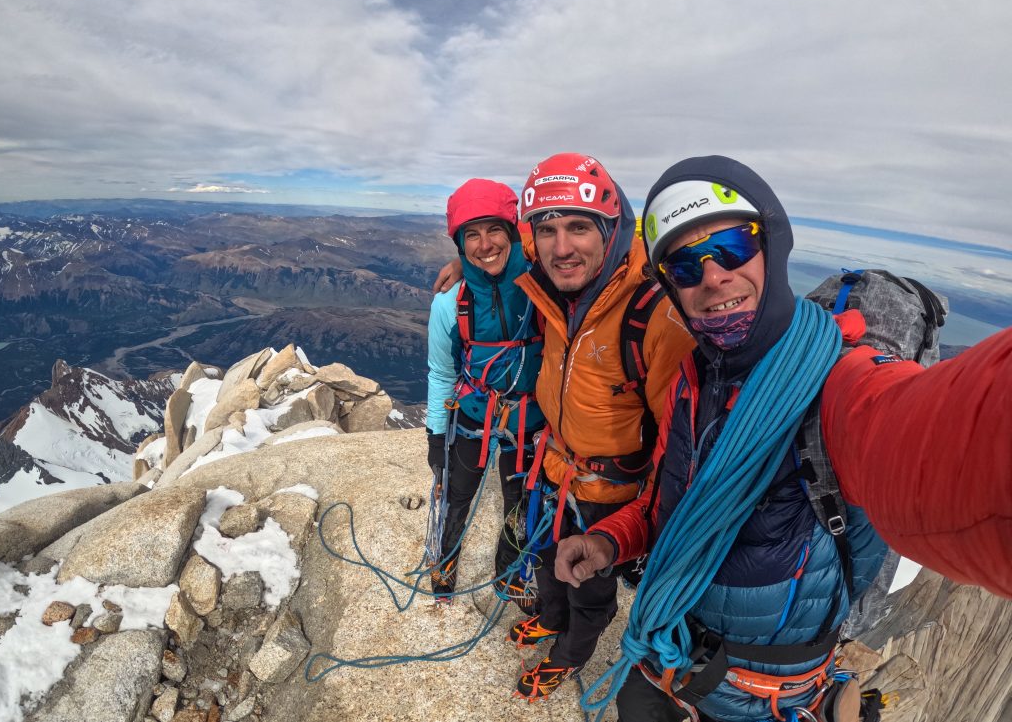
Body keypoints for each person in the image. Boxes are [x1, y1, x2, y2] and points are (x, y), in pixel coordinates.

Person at [555, 155, 1012, 721]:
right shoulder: (694, 382)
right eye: (685, 264)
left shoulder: (833, 383)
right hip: (673, 668)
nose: (713, 277)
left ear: (772, 244)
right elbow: (681, 504)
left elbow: (936, 437)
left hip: (761, 701)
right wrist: (613, 540)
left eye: (731, 247)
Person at [505, 153, 694, 702]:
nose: (562, 247)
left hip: (612, 494)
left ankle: (568, 655)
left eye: (579, 227)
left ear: (611, 230)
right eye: (548, 229)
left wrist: (642, 525)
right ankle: (549, 618)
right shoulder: (554, 296)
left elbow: (676, 441)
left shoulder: (654, 317)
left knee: (589, 588)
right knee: (547, 560)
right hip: (557, 471)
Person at [425, 178, 545, 608]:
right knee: (457, 493)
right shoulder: (449, 303)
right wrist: (436, 436)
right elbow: (441, 373)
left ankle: (508, 576)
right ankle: (445, 565)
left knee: (520, 498)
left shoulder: (544, 283)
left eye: (494, 229)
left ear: (513, 231)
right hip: (474, 413)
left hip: (530, 418)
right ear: (459, 244)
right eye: (470, 235)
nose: (484, 244)